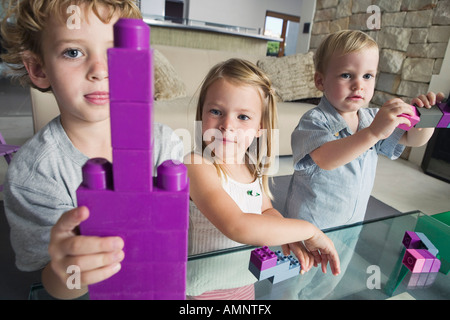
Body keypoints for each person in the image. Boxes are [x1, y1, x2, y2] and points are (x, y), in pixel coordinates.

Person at [1, 0, 183, 299]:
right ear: (37, 67)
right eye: (73, 52)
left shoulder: (165, 144)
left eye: (115, 53)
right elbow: (57, 281)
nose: (100, 70)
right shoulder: (33, 173)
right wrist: (70, 272)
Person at [185, 58, 341, 298]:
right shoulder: (197, 164)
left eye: (243, 117)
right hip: (203, 291)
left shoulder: (251, 165)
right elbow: (237, 225)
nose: (227, 125)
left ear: (260, 126)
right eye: (216, 112)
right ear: (201, 114)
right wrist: (309, 230)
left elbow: (266, 211)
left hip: (244, 282)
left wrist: (290, 236)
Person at [284, 30, 444, 230]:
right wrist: (373, 133)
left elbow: (412, 139)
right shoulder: (314, 120)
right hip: (311, 224)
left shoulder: (372, 119)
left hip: (352, 221)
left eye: (368, 76)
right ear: (320, 81)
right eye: (346, 75)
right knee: (302, 262)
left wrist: (425, 119)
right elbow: (325, 159)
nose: (359, 85)